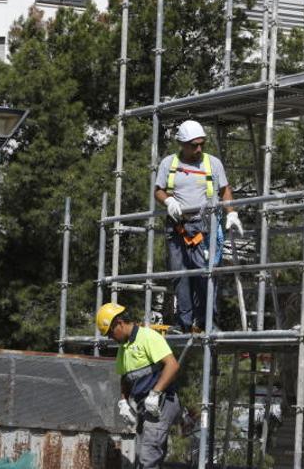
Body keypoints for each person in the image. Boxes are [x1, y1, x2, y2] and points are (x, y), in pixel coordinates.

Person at [154, 120, 243, 332]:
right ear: (182, 144)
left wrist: (231, 213)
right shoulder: (169, 163)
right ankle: (184, 324)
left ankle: (207, 323)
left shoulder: (212, 163)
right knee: (181, 275)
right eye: (194, 145)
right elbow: (158, 190)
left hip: (204, 227)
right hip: (178, 227)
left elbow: (224, 190)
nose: (199, 148)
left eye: (201, 143)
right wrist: (168, 201)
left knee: (206, 275)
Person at [96, 302, 181, 468]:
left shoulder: (147, 337)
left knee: (147, 457)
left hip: (162, 404)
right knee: (144, 454)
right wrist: (123, 402)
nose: (110, 338)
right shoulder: (124, 348)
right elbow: (125, 377)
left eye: (110, 333)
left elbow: (172, 365)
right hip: (145, 407)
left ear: (119, 323)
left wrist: (156, 393)